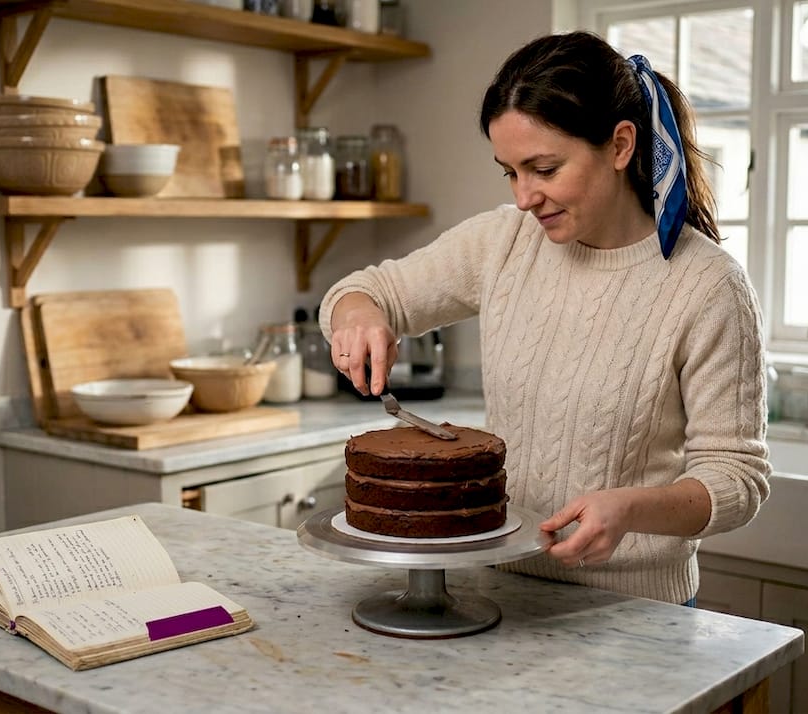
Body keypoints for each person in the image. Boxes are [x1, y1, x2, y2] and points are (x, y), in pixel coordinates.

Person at [319, 31, 769, 605]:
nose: (525, 196)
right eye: (509, 172)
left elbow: (737, 480)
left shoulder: (708, 286)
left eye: (544, 168)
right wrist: (358, 315)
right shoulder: (502, 242)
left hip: (636, 613)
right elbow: (364, 290)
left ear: (621, 145)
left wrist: (628, 509)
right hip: (494, 591)